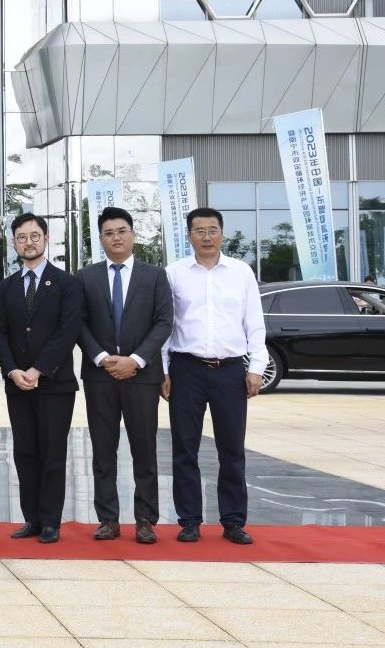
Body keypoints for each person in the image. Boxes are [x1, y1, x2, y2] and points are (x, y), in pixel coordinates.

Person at [163, 207, 268, 545]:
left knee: (232, 449)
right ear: (189, 235)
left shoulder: (241, 272)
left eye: (212, 230)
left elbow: (254, 323)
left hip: (230, 371)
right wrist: (163, 370)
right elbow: (165, 326)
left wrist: (256, 368)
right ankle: (189, 520)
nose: (206, 237)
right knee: (184, 449)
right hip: (186, 369)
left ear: (222, 233)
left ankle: (233, 521)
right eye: (199, 231)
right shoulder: (174, 273)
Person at [76, 207, 173, 544]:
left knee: (144, 449)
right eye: (108, 233)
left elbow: (164, 322)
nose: (115, 238)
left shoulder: (155, 276)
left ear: (133, 235)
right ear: (100, 239)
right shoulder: (85, 277)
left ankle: (145, 520)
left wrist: (136, 360)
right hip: (100, 376)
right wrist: (102, 358)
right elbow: (78, 323)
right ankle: (108, 519)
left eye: (121, 231)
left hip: (141, 377)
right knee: (103, 450)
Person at [0, 213, 82, 544]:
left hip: (55, 385)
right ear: (14, 243)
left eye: (34, 236)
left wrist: (38, 369)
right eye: (21, 237)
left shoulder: (66, 283)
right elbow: (0, 332)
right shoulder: (8, 286)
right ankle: (31, 518)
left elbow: (68, 331)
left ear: (46, 239)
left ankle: (50, 522)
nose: (28, 242)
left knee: (52, 453)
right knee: (25, 452)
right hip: (18, 385)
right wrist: (12, 370)